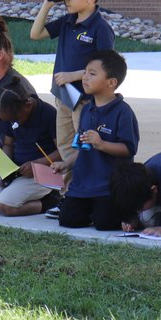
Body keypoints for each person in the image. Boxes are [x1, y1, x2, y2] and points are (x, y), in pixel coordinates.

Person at [29, 0, 114, 173]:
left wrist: (73, 75)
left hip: (84, 99)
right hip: (63, 96)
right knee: (65, 146)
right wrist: (47, 5)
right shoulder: (68, 21)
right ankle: (68, 193)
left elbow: (106, 67)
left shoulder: (100, 28)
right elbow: (35, 34)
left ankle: (84, 188)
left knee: (82, 146)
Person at [57, 50, 139, 231]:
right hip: (83, 183)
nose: (85, 77)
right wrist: (66, 164)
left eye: (92, 74)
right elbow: (81, 147)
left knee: (105, 223)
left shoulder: (123, 112)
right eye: (85, 72)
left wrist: (102, 144)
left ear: (111, 82)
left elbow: (128, 149)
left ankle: (128, 212)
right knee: (68, 220)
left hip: (108, 185)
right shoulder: (86, 110)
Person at [0, 88, 61, 217]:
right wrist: (5, 168)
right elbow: (8, 144)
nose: (13, 123)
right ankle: (15, 194)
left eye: (16, 119)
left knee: (6, 207)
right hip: (17, 171)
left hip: (43, 172)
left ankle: (49, 201)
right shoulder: (10, 115)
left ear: (28, 105)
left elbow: (63, 150)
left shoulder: (48, 114)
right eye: (9, 121)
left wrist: (37, 163)